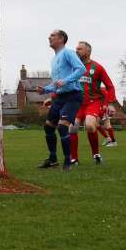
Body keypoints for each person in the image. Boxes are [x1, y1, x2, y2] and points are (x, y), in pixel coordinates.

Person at [37, 29, 86, 171]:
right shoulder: (54, 59)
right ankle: (52, 160)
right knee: (48, 127)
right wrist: (45, 90)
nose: (49, 37)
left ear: (61, 39)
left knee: (62, 127)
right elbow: (57, 83)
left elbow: (81, 69)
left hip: (73, 96)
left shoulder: (68, 53)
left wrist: (65, 80)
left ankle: (67, 161)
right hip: (60, 97)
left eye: (52, 35)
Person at [68, 41, 117, 166]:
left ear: (88, 52)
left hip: (93, 103)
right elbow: (65, 84)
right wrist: (54, 97)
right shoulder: (73, 67)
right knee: (72, 128)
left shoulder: (97, 67)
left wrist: (110, 103)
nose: (76, 51)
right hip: (77, 103)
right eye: (76, 48)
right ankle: (74, 159)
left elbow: (110, 87)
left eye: (79, 49)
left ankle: (96, 154)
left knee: (90, 125)